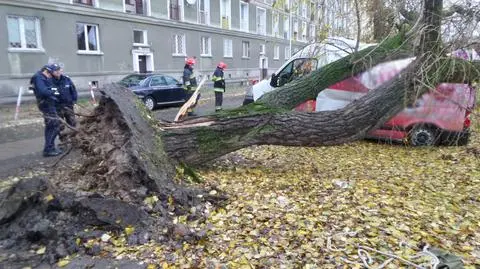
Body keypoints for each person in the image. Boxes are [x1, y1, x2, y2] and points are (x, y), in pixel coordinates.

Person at [30, 64, 62, 157]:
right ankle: (48, 149)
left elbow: (53, 90)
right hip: (46, 105)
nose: (51, 77)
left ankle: (50, 147)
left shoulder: (43, 77)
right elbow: (43, 91)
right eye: (51, 75)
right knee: (54, 125)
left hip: (50, 104)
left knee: (52, 126)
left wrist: (52, 91)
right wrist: (52, 91)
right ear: (47, 72)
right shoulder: (38, 77)